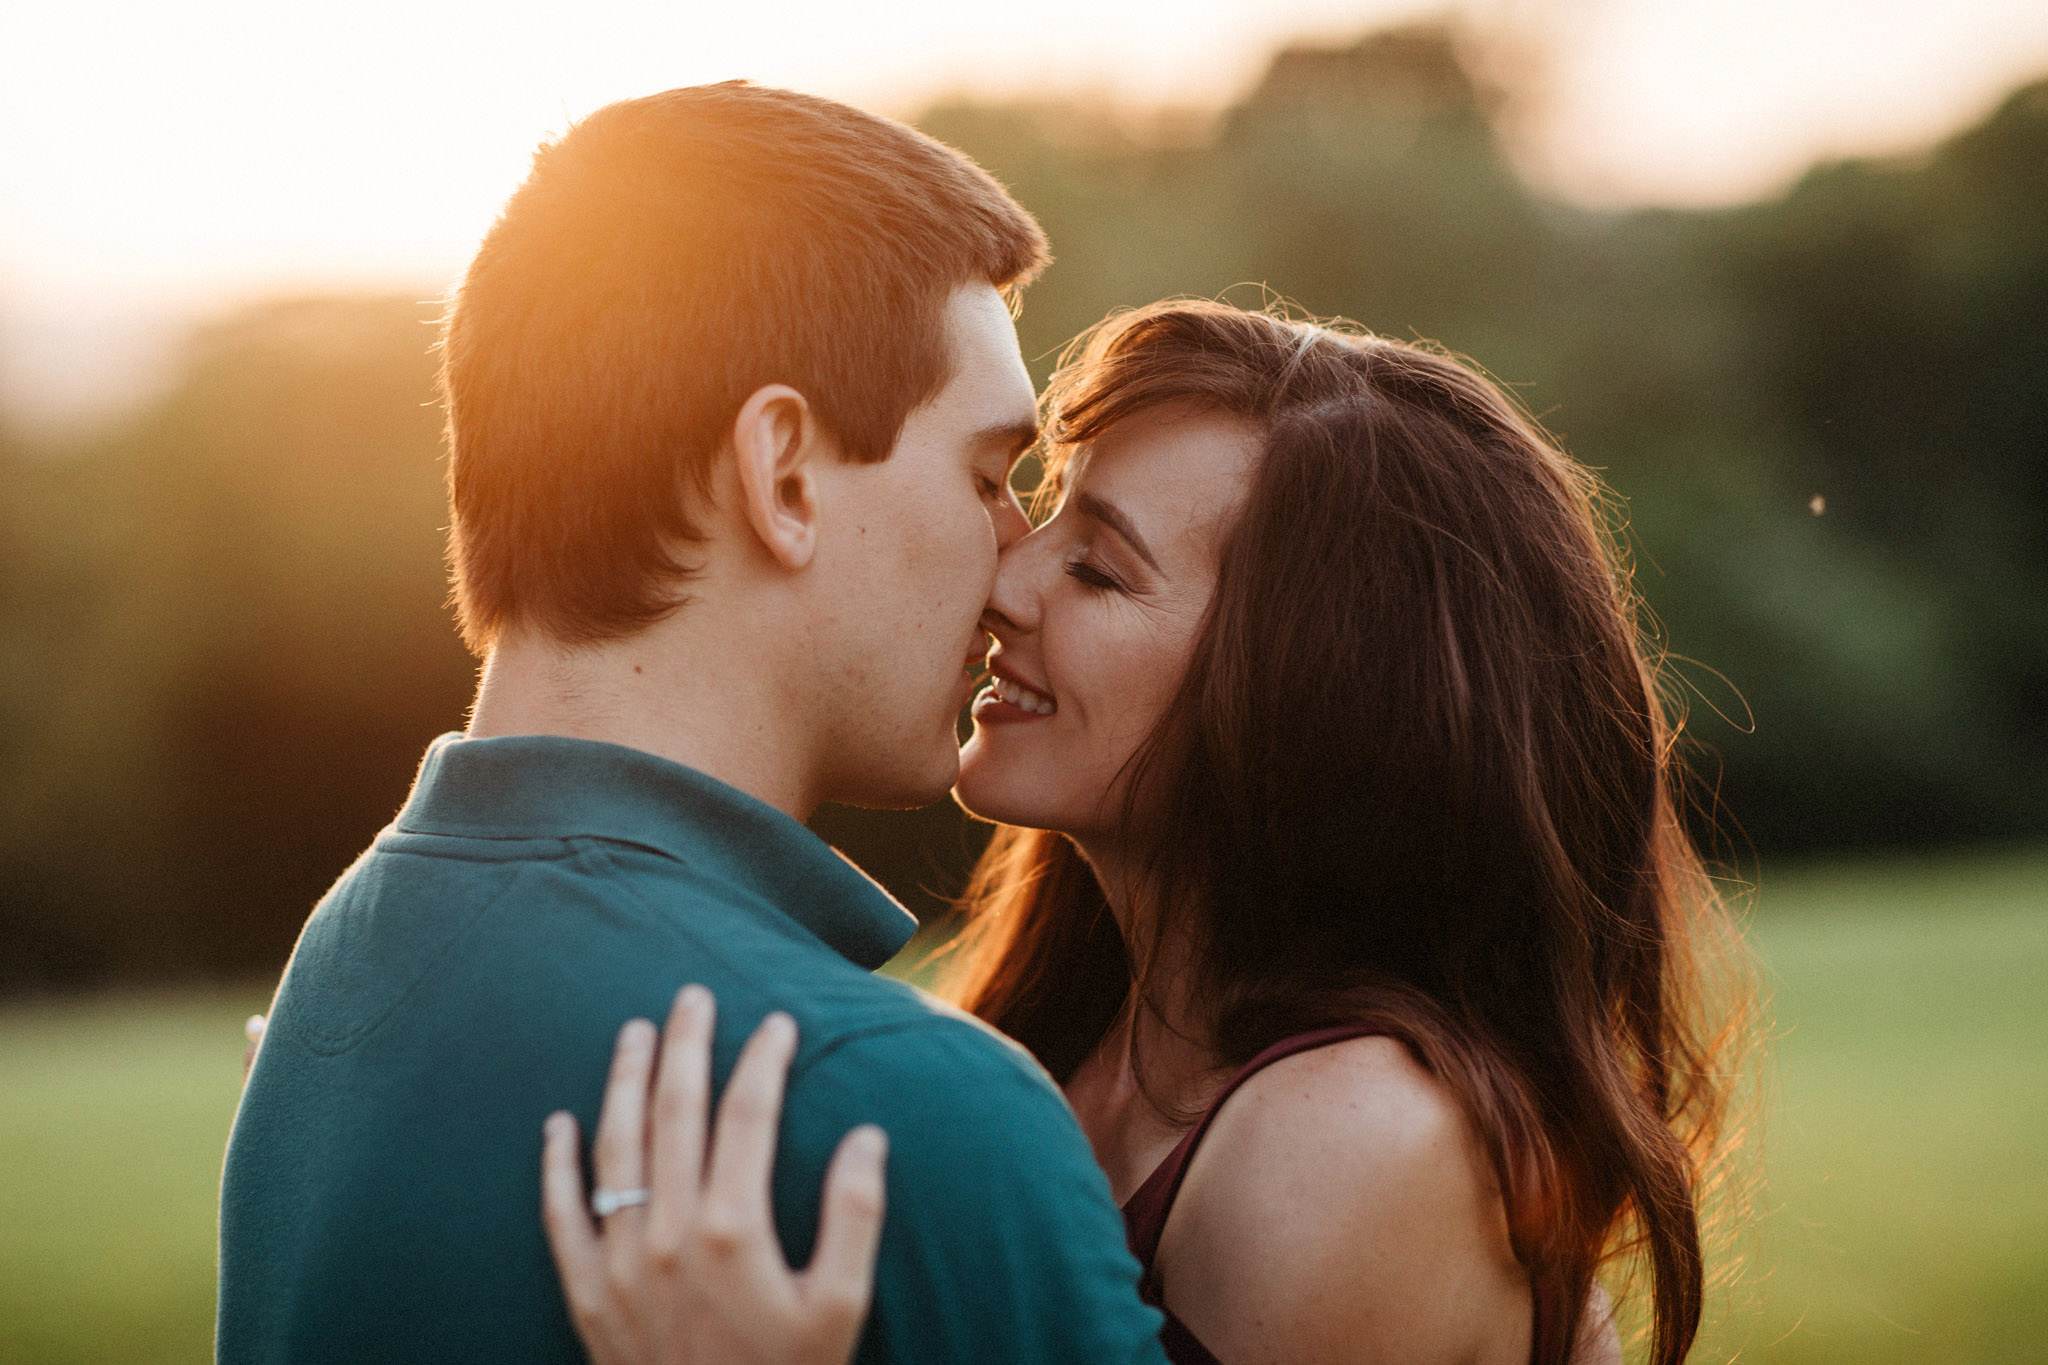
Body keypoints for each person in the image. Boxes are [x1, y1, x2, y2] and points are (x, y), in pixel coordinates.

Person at [549, 301, 1753, 1365]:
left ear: (1306, 692)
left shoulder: (1346, 1138)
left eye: (1100, 572)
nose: (1004, 587)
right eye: (1045, 521)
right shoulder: (1084, 1044)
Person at [217, 84, 1173, 1364]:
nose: (1012, 569)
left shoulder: (336, 979)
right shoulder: (891, 1119)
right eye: (986, 477)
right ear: (782, 475)